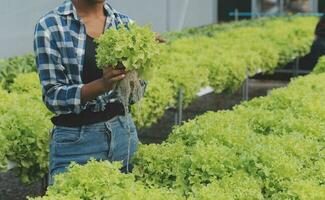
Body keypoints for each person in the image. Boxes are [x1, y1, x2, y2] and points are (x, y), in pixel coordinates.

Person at [34, 0, 158, 185]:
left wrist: (142, 60)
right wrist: (103, 84)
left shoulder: (125, 24)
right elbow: (53, 97)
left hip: (124, 134)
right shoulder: (50, 26)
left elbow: (134, 97)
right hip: (76, 143)